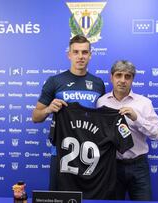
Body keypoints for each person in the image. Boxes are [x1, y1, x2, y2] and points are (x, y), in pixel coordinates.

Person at [32, 35, 105, 190]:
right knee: (58, 198)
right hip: (61, 152)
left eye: (84, 52)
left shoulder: (98, 84)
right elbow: (35, 117)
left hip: (89, 153)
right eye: (76, 52)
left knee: (88, 197)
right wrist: (48, 109)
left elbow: (102, 119)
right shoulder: (55, 81)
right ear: (69, 55)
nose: (80, 57)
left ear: (90, 55)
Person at [96, 60, 158, 200]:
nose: (122, 80)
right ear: (111, 77)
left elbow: (157, 134)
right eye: (118, 75)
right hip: (111, 166)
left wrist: (137, 118)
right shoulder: (101, 102)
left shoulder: (144, 103)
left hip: (138, 166)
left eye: (127, 76)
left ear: (132, 79)